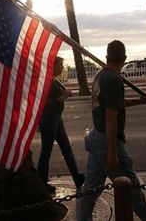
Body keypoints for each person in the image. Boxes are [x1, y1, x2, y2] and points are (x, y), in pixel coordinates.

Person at [77, 40, 146, 221]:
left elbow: (114, 105)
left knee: (89, 192)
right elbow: (111, 115)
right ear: (124, 58)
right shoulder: (114, 80)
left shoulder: (101, 76)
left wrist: (140, 101)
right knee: (133, 192)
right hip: (107, 142)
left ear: (107, 57)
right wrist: (112, 152)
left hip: (96, 139)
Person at [37, 56, 85, 193]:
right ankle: (41, 182)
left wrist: (64, 95)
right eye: (60, 65)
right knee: (46, 151)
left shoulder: (52, 80)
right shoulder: (46, 82)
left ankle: (77, 177)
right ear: (53, 66)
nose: (62, 68)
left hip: (56, 118)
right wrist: (62, 97)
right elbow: (43, 105)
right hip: (49, 119)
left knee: (66, 148)